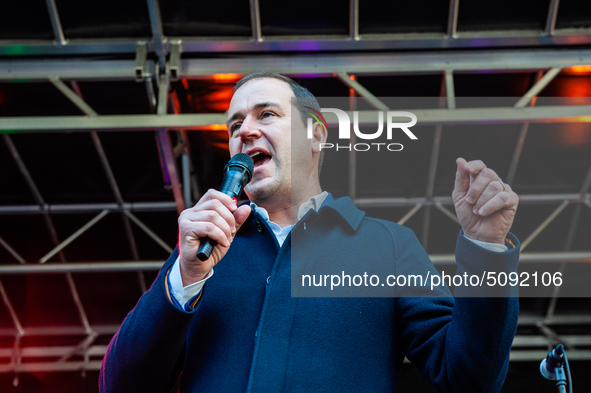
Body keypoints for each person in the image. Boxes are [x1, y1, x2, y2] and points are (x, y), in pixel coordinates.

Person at [99, 71, 521, 392]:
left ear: (316, 133)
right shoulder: (201, 253)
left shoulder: (388, 247)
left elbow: (469, 380)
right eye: (233, 126)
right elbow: (118, 385)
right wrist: (184, 280)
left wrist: (486, 249)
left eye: (266, 114)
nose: (244, 131)